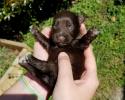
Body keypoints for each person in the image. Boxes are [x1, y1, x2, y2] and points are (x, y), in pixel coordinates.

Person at [5, 24, 99, 100]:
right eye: (55, 25)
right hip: (51, 79)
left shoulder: (75, 43)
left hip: (65, 77)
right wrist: (37, 33)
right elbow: (47, 44)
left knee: (48, 70)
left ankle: (30, 63)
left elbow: (83, 43)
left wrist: (89, 36)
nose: (61, 33)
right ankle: (29, 64)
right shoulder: (54, 45)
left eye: (68, 26)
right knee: (46, 74)